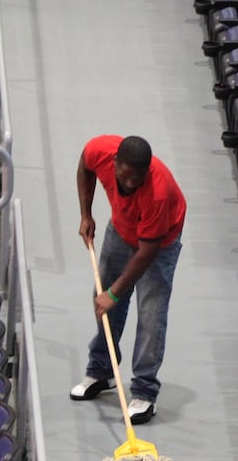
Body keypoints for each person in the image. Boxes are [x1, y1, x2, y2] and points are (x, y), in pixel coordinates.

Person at [70, 135, 186, 425]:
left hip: (159, 246)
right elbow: (84, 165)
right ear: (114, 163)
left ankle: (145, 393)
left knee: (150, 314)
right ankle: (102, 371)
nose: (132, 183)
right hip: (121, 229)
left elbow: (147, 252)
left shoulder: (157, 191)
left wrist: (115, 292)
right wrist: (87, 215)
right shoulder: (100, 150)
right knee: (104, 303)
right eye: (126, 176)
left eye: (138, 178)